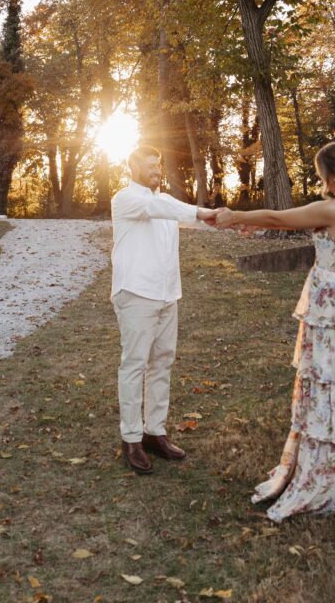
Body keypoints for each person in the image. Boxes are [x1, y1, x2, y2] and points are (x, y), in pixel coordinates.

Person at [215, 140, 335, 520]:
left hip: (329, 307)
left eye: (321, 173)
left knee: (324, 379)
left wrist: (234, 216)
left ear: (331, 176)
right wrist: (247, 224)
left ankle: (322, 476)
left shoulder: (332, 209)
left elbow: (279, 219)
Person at [111, 144, 217, 474]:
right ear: (133, 168)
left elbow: (177, 215)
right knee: (135, 364)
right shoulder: (126, 199)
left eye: (158, 164)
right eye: (149, 165)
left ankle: (154, 432)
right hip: (137, 294)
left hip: (167, 294)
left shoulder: (164, 204)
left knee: (162, 363)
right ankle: (130, 439)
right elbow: (160, 207)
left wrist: (227, 221)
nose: (157, 169)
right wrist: (201, 212)